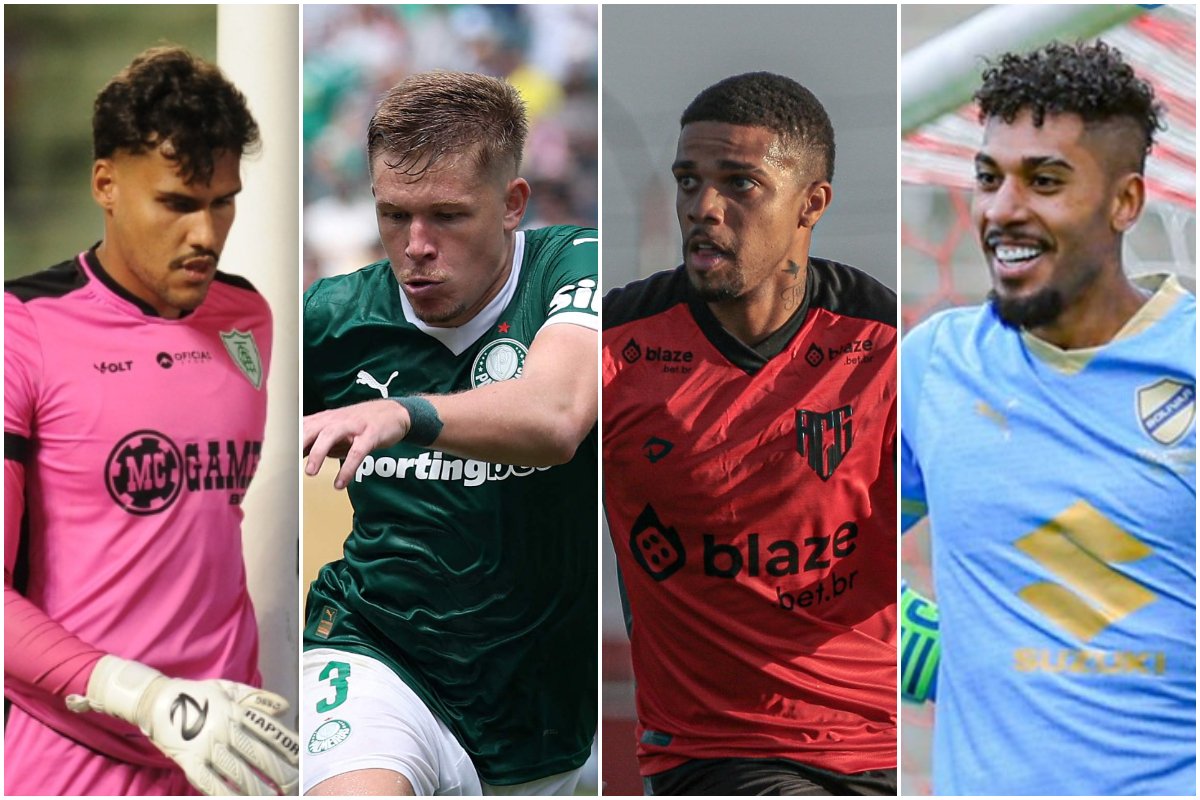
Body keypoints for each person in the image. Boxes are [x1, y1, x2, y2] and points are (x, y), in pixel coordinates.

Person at [900, 40, 1195, 795]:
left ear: (1126, 202)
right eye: (989, 178)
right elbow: (815, 549)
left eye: (1046, 181)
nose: (1003, 210)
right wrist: (904, 635)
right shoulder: (936, 363)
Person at [4, 47, 298, 796]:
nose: (207, 233)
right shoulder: (22, 328)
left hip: (232, 760)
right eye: (177, 202)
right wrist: (145, 696)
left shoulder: (248, 319)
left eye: (223, 201)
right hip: (74, 763)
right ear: (105, 183)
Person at [301, 71, 597, 796]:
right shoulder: (331, 318)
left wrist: (405, 414)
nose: (416, 247)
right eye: (394, 215)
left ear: (512, 205)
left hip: (545, 717)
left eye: (448, 216)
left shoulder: (574, 265)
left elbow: (557, 416)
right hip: (375, 652)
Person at [603, 72, 898, 796]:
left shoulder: (890, 344)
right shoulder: (614, 349)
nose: (703, 208)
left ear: (811, 204)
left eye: (740, 183)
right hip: (720, 753)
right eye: (688, 181)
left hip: (892, 743)